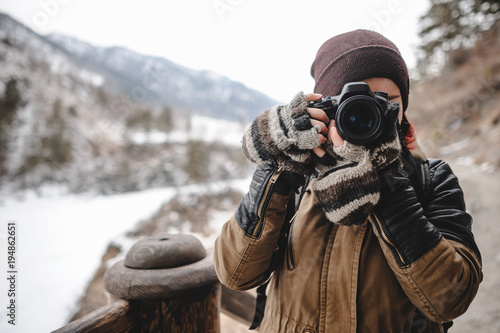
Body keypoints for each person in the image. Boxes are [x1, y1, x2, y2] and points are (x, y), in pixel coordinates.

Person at [214, 29, 482, 333]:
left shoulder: (431, 179)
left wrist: (388, 183)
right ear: (324, 107)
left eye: (386, 101)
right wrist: (278, 170)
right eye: (350, 105)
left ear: (404, 106)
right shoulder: (299, 174)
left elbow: (451, 299)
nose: (368, 114)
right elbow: (234, 274)